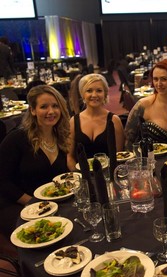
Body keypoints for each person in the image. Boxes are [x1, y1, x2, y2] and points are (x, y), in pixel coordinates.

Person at [0, 85, 70, 236]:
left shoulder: (61, 137)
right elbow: (2, 181)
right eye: (44, 107)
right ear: (32, 110)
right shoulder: (17, 139)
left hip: (49, 205)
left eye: (55, 106)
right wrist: (32, 202)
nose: (51, 112)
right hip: (16, 204)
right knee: (47, 233)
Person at [124, 59, 167, 149]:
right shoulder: (143, 105)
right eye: (155, 79)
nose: (158, 84)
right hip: (150, 161)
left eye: (164, 79)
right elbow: (128, 140)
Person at [67, 73, 124, 171]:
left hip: (108, 175)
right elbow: (70, 157)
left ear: (105, 94)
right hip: (83, 177)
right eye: (89, 91)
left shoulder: (114, 121)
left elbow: (119, 156)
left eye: (99, 91)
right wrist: (78, 176)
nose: (94, 95)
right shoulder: (73, 121)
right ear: (82, 94)